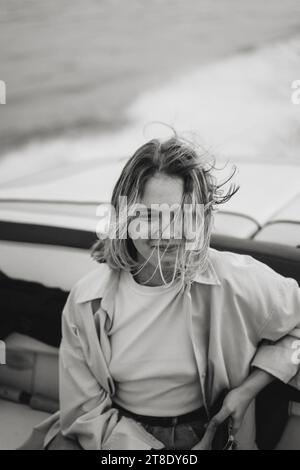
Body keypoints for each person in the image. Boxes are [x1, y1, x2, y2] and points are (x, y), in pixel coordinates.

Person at [21, 135, 300, 450]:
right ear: (125, 218)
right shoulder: (86, 302)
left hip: (207, 434)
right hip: (113, 435)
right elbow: (84, 414)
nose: (168, 232)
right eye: (150, 216)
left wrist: (250, 387)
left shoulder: (237, 281)